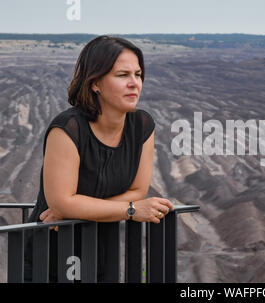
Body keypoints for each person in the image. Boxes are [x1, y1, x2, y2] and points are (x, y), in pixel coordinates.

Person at [24, 35, 174, 282]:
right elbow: (61, 202)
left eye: (137, 74)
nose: (134, 83)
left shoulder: (142, 125)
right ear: (95, 83)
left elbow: (138, 189)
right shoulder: (68, 128)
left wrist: (75, 209)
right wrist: (131, 210)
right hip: (47, 258)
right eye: (122, 75)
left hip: (100, 253)